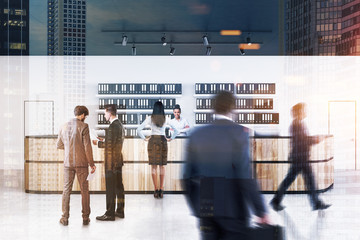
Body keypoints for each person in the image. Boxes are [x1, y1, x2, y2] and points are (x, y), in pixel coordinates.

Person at [183, 91, 269, 240]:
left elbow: (186, 177)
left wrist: (197, 207)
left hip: (206, 208)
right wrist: (260, 211)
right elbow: (244, 175)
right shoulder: (239, 133)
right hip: (233, 209)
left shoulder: (196, 134)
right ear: (232, 108)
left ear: (213, 108)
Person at [270, 102, 331, 211]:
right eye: (304, 110)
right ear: (299, 112)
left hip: (300, 157)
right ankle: (315, 203)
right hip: (300, 158)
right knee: (304, 180)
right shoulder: (297, 125)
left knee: (301, 180)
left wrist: (316, 138)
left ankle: (276, 201)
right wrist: (318, 139)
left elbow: (304, 139)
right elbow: (304, 141)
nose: (305, 112)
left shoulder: (298, 123)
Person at [57, 105, 96, 226]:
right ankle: (85, 218)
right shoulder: (84, 126)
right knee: (84, 190)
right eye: (86, 116)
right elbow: (87, 147)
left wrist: (69, 148)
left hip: (68, 164)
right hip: (81, 164)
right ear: (83, 115)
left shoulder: (63, 126)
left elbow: (59, 145)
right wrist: (92, 164)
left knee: (66, 190)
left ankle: (64, 218)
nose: (85, 118)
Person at [137, 101, 179, 199]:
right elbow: (177, 130)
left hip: (152, 141)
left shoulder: (150, 119)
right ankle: (161, 189)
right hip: (162, 141)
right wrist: (171, 138)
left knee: (154, 167)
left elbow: (139, 129)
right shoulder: (166, 119)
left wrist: (144, 138)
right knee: (162, 166)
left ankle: (156, 190)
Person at [93, 104, 125, 221]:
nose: (104, 115)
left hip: (111, 162)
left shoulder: (112, 126)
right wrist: (105, 140)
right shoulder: (120, 125)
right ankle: (120, 211)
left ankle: (109, 213)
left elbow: (110, 145)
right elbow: (114, 142)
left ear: (110, 113)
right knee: (119, 187)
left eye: (105, 113)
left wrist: (98, 143)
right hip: (118, 160)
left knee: (110, 188)